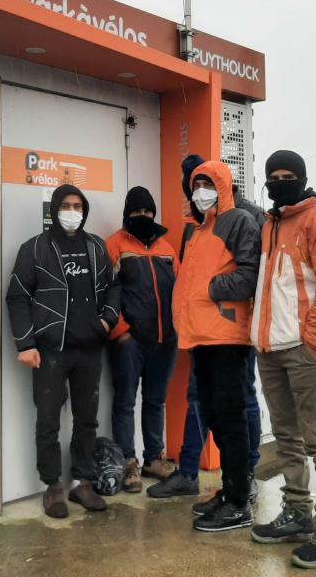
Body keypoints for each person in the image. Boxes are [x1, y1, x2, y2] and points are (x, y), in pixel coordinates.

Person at [249, 150, 316, 570]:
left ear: (303, 179)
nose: (279, 181)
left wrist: (314, 341)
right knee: (287, 437)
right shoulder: (270, 225)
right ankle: (297, 512)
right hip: (270, 349)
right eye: (273, 176)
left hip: (305, 350)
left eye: (288, 175)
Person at [148, 156, 263, 508]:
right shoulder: (199, 228)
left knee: (232, 417)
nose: (200, 192)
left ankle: (239, 496)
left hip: (226, 337)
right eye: (195, 186)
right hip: (201, 337)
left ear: (223, 186)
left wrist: (209, 289)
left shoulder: (240, 220)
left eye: (206, 185)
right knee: (214, 414)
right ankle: (227, 490)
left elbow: (248, 274)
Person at [6, 184, 121, 518]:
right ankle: (52, 487)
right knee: (48, 421)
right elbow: (17, 296)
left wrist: (107, 321)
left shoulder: (96, 246)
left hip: (89, 349)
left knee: (87, 420)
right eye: (66, 205)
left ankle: (81, 483)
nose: (73, 211)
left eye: (78, 206)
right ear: (54, 209)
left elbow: (114, 286)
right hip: (50, 351)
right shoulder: (35, 249)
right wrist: (25, 343)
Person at [105, 186, 179, 493]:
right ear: (126, 214)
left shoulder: (168, 248)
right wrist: (120, 332)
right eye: (137, 212)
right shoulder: (115, 245)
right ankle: (128, 463)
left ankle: (153, 459)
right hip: (130, 342)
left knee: (155, 401)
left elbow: (180, 291)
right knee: (124, 402)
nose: (143, 216)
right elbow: (104, 292)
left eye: (148, 211)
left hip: (165, 340)